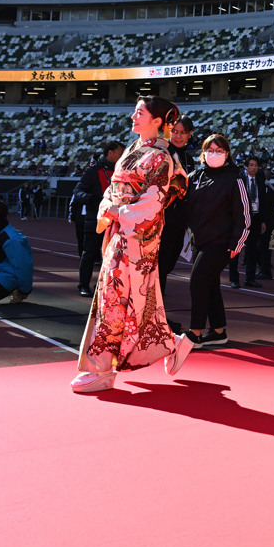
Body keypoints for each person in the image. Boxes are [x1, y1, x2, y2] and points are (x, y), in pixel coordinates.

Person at [70, 96, 192, 393]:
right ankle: (171, 343)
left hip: (139, 236)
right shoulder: (133, 150)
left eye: (140, 113)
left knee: (115, 297)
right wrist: (109, 207)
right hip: (121, 231)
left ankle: (102, 368)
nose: (133, 117)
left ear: (157, 121)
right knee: (133, 299)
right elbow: (114, 188)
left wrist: (119, 211)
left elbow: (153, 202)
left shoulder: (162, 158)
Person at [182, 134, 249, 348]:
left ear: (227, 154)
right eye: (210, 150)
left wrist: (237, 244)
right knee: (209, 285)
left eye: (219, 150)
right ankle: (219, 331)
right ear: (203, 152)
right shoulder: (195, 177)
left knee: (198, 282)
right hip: (198, 240)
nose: (214, 154)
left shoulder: (234, 179)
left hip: (220, 242)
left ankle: (195, 333)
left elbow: (244, 215)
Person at [72, 141, 122, 297]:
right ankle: (84, 285)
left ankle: (104, 286)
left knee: (111, 256)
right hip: (95, 221)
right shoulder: (93, 171)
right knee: (89, 254)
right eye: (120, 153)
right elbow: (77, 191)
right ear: (110, 153)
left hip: (115, 223)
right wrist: (92, 198)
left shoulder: (122, 171)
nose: (123, 156)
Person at [158, 117, 195, 298]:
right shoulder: (161, 153)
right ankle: (156, 306)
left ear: (189, 135)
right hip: (160, 219)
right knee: (160, 263)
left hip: (180, 221)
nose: (178, 136)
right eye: (175, 131)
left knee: (170, 261)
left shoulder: (190, 159)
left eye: (182, 132)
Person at [230, 157, 269, 288]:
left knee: (252, 250)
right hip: (241, 218)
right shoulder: (239, 180)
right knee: (236, 249)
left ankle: (250, 279)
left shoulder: (260, 181)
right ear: (246, 166)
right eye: (251, 165)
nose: (254, 168)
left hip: (256, 218)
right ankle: (234, 279)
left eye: (256, 165)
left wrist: (263, 221)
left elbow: (263, 202)